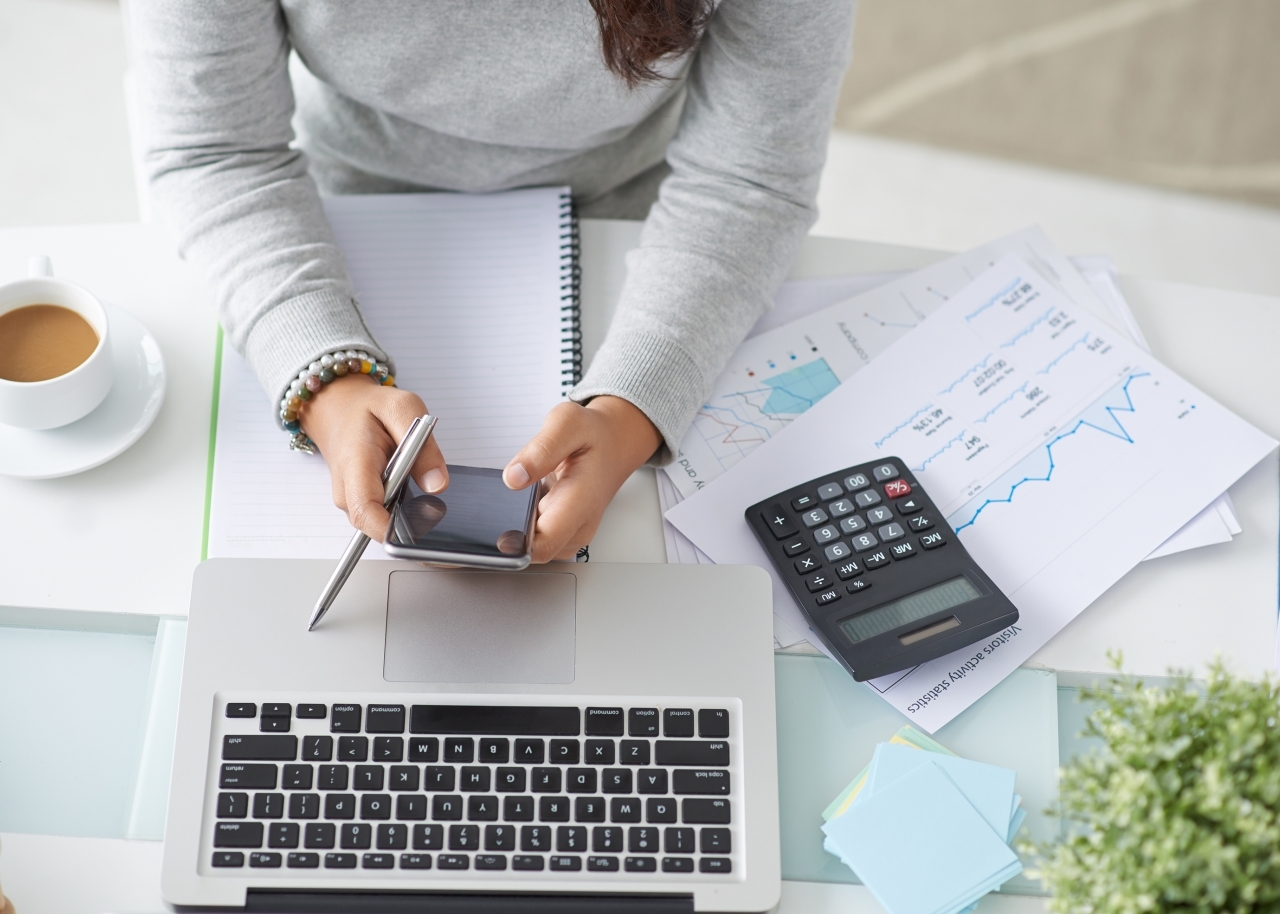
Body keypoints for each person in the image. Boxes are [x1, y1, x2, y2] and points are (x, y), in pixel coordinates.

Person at [132, 0, 855, 561]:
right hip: (328, 209)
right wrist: (323, 378)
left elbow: (750, 177)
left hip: (641, 220)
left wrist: (633, 410)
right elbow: (214, 149)